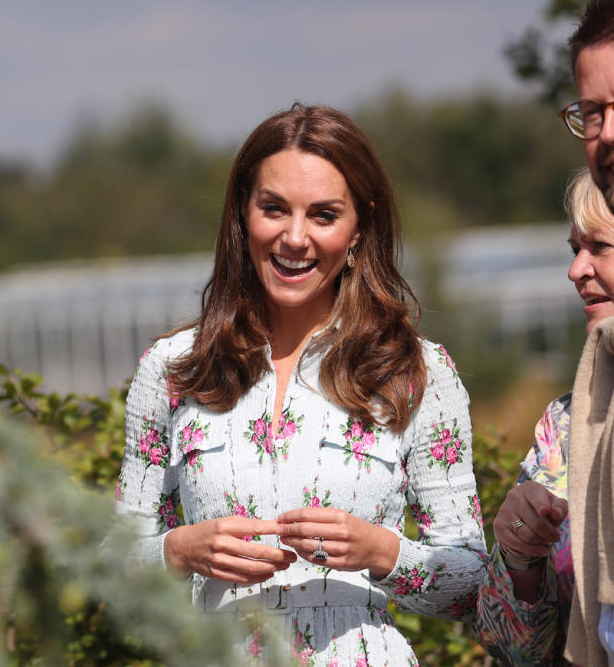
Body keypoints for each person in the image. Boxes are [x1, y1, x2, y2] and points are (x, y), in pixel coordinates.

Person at [113, 103, 487, 664]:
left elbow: (471, 584)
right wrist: (179, 549)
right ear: (242, 212)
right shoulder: (173, 369)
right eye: (274, 208)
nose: (294, 237)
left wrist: (382, 551)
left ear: (360, 225)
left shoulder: (417, 372)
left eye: (323, 215)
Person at [474, 170, 610, 665]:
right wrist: (520, 556)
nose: (576, 270)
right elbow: (512, 649)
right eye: (574, 248)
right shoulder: (564, 426)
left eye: (599, 247)